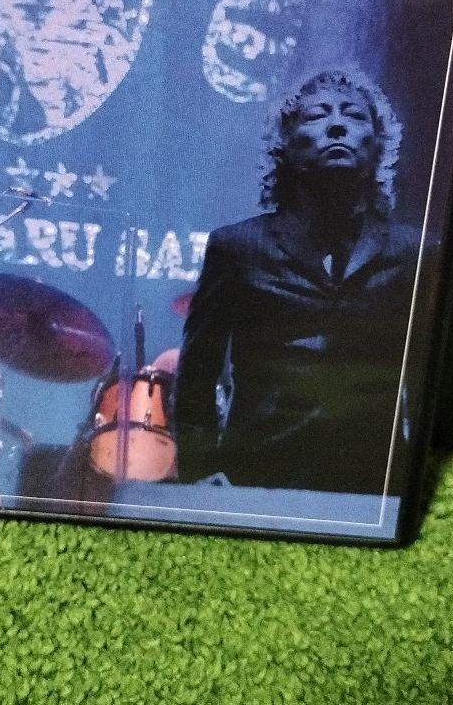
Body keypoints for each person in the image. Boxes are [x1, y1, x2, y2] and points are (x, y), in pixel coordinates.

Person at [173, 70, 421, 495]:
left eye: (354, 115)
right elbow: (197, 371)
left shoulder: (416, 251)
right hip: (256, 472)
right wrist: (199, 468)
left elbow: (425, 375)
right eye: (318, 115)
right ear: (285, 144)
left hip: (372, 480)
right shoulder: (237, 247)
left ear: (378, 143)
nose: (337, 125)